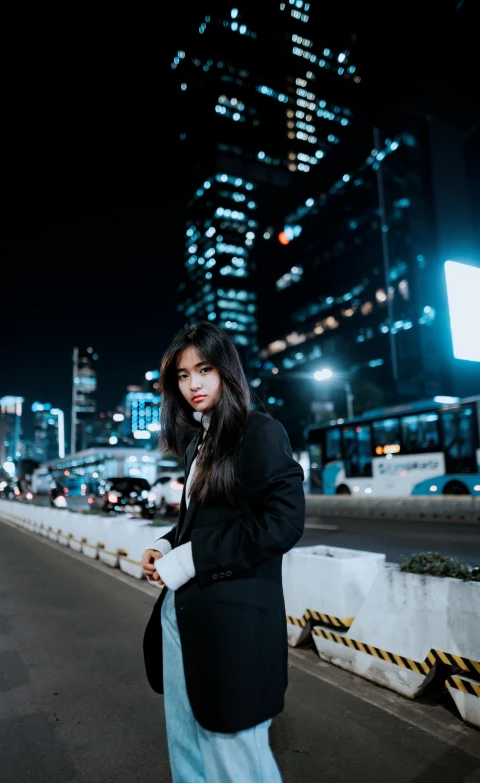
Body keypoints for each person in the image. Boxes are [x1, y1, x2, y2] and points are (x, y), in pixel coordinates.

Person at [142, 322, 305, 782]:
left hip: (235, 627)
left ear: (227, 372)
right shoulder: (198, 441)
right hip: (183, 616)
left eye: (205, 369)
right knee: (187, 746)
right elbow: (200, 521)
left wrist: (191, 558)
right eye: (182, 375)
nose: (193, 384)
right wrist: (164, 545)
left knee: (235, 760)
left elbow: (284, 524)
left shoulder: (260, 433)